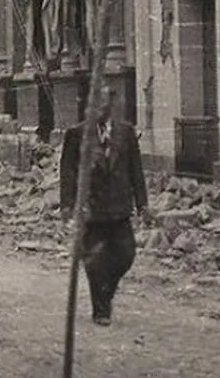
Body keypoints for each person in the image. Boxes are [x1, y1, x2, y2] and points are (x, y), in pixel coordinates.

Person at [59, 84, 151, 327]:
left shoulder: (126, 133)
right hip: (91, 210)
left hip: (120, 207)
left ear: (110, 105)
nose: (96, 109)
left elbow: (136, 170)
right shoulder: (77, 135)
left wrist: (142, 204)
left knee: (126, 254)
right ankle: (101, 309)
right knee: (95, 260)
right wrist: (68, 205)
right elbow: (67, 172)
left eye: (101, 103)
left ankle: (106, 290)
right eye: (92, 104)